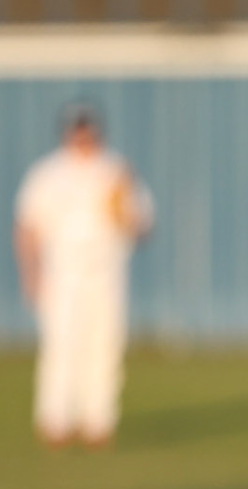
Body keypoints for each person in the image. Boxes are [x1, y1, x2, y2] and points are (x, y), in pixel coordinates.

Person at [14, 103, 153, 447]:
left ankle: (98, 421)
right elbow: (27, 226)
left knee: (104, 345)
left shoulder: (116, 171)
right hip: (63, 271)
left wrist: (126, 214)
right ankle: (55, 420)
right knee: (62, 345)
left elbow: (142, 225)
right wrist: (31, 274)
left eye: (88, 129)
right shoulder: (48, 173)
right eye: (76, 129)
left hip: (107, 271)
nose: (82, 136)